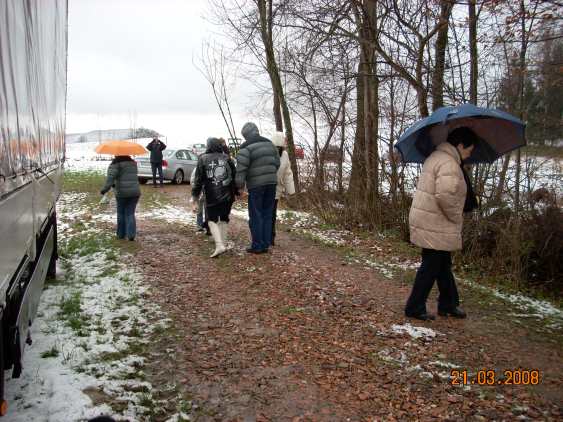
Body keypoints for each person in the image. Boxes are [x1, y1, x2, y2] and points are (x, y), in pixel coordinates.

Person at [405, 127, 478, 321]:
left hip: (428, 218)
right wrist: (456, 216)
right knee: (431, 266)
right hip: (436, 221)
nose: (469, 155)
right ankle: (414, 307)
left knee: (442, 264)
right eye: (469, 150)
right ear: (460, 145)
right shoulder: (449, 164)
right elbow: (445, 196)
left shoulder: (437, 156)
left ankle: (448, 304)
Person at [235, 122, 280, 254]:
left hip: (256, 186)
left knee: (256, 214)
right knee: (267, 214)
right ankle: (265, 243)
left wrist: (239, 187)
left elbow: (241, 170)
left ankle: (257, 245)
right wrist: (270, 175)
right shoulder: (270, 144)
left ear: (245, 135)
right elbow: (277, 163)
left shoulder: (245, 148)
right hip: (272, 183)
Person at [191, 137, 237, 257]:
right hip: (228, 194)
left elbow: (198, 180)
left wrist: (195, 196)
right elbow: (234, 176)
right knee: (224, 218)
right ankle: (223, 243)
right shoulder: (227, 158)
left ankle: (219, 245)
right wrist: (237, 191)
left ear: (208, 146)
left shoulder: (203, 158)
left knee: (212, 220)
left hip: (212, 194)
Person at [100, 155, 141, 241]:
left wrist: (104, 190)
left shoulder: (115, 165)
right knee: (130, 213)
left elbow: (110, 179)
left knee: (121, 213)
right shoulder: (133, 164)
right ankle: (131, 235)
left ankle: (121, 234)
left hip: (122, 193)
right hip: (135, 192)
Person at [270, 131, 295, 246]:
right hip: (265, 188)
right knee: (267, 214)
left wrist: (291, 190)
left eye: (279, 148)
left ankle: (271, 237)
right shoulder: (267, 153)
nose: (278, 149)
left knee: (272, 214)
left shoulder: (285, 155)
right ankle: (265, 237)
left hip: (276, 190)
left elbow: (287, 173)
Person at [190, 166, 210, 235]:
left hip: (208, 192)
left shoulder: (209, 167)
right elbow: (193, 180)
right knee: (199, 210)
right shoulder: (197, 169)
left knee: (208, 210)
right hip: (199, 192)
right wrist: (195, 190)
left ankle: (208, 227)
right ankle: (199, 225)